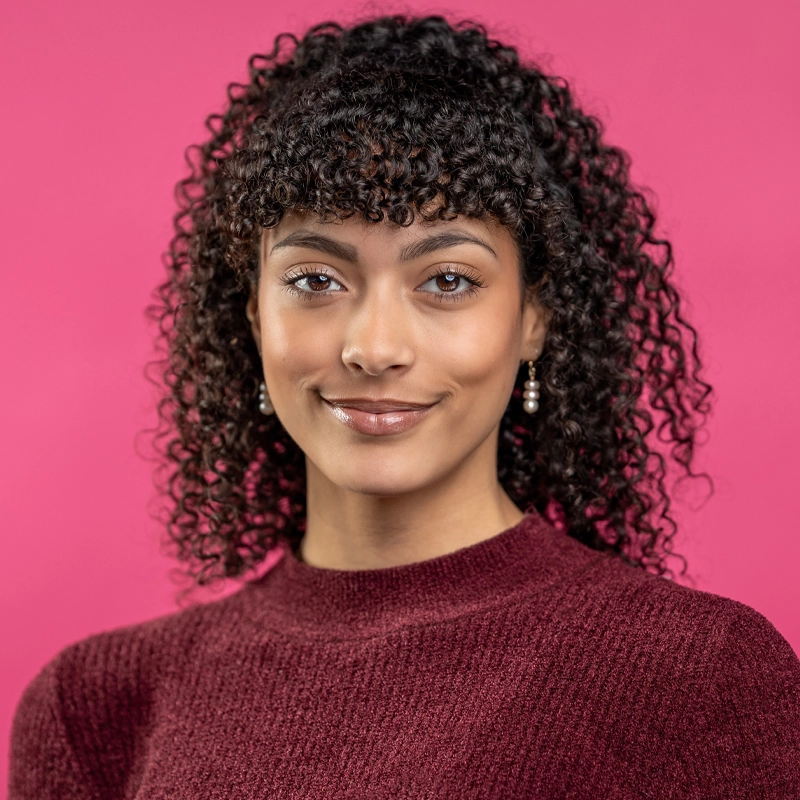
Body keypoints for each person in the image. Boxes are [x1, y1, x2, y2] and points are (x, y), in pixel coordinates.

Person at [8, 14, 800, 799]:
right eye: (315, 280)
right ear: (253, 317)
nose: (374, 346)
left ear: (534, 319)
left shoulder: (696, 678)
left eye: (447, 280)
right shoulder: (97, 708)